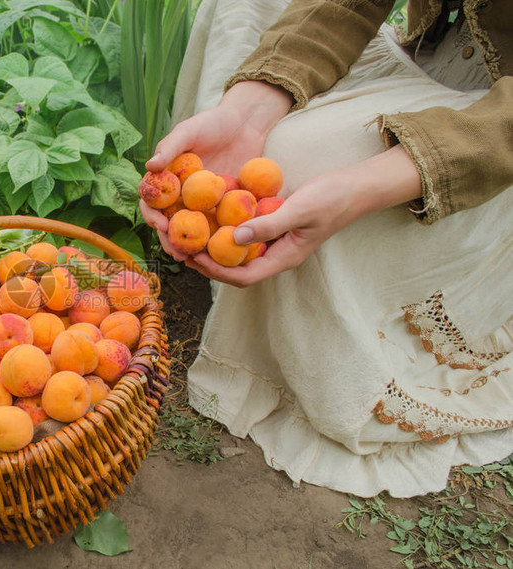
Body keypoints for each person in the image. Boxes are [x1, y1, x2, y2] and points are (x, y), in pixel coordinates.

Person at [140, 0, 513, 497]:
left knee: (293, 168)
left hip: (493, 139)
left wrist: (363, 187)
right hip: (421, 56)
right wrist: (247, 112)